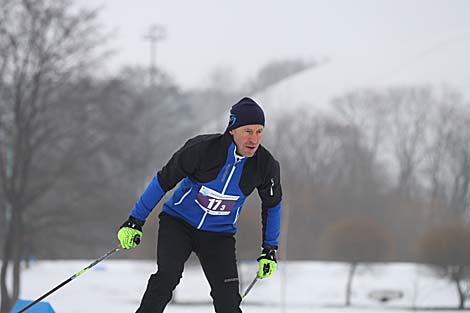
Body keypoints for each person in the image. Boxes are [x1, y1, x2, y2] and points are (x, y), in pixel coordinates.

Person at [117, 97, 282, 313]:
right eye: (248, 131)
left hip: (218, 234)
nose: (254, 138)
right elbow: (163, 181)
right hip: (178, 224)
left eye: (259, 131)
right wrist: (134, 221)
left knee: (228, 299)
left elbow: (272, 205)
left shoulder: (265, 165)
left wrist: (269, 249)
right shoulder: (202, 150)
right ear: (232, 129)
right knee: (166, 279)